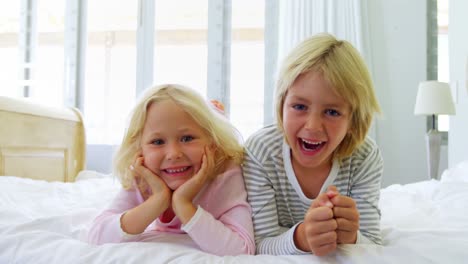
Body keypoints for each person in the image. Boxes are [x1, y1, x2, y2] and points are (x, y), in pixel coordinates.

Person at [243, 33, 383, 256]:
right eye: (299, 107)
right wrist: (302, 237)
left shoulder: (363, 157)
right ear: (281, 105)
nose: (313, 126)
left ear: (353, 121)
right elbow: (259, 243)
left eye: (332, 112)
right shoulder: (262, 152)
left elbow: (373, 242)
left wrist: (351, 236)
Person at [88, 84, 255, 256]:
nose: (173, 154)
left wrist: (183, 204)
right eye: (158, 142)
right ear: (140, 150)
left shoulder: (224, 174)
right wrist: (158, 201)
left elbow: (242, 249)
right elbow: (96, 236)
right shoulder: (142, 177)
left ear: (212, 142)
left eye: (187, 138)